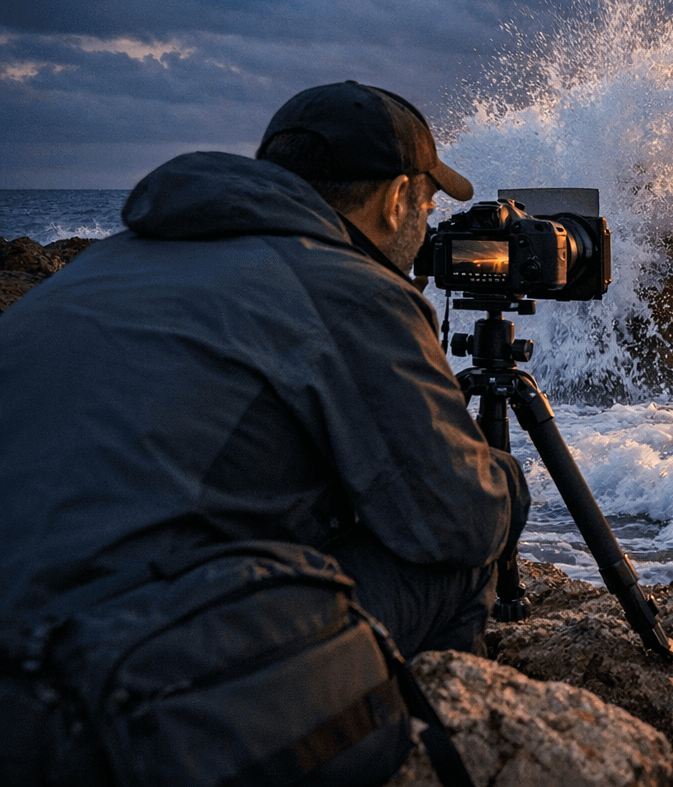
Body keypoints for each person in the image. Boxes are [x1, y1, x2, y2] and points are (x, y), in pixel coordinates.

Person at [0, 81, 529, 784]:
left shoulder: (104, 263)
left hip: (29, 644)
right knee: (460, 551)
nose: (428, 229)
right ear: (396, 197)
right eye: (429, 204)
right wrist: (508, 483)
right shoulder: (348, 287)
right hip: (96, 701)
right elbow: (456, 520)